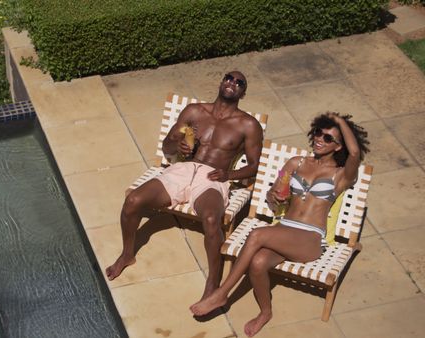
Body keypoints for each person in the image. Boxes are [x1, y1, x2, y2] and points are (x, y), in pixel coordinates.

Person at [189, 112, 370, 337]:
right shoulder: (296, 163)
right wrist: (275, 197)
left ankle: (222, 292)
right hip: (285, 229)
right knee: (258, 262)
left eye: (328, 138)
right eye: (318, 133)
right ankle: (265, 312)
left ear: (338, 146)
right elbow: (272, 196)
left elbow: (355, 153)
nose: (319, 139)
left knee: (256, 235)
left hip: (310, 239)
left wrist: (340, 122)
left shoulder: (341, 175)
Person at [105, 71, 264, 303]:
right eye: (229, 78)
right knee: (133, 201)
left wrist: (229, 174)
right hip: (182, 169)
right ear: (221, 82)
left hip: (213, 178)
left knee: (211, 220)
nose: (233, 83)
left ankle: (212, 282)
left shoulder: (248, 125)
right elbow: (167, 147)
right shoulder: (194, 111)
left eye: (240, 82)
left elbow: (255, 166)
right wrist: (178, 145)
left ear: (243, 92)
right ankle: (127, 254)